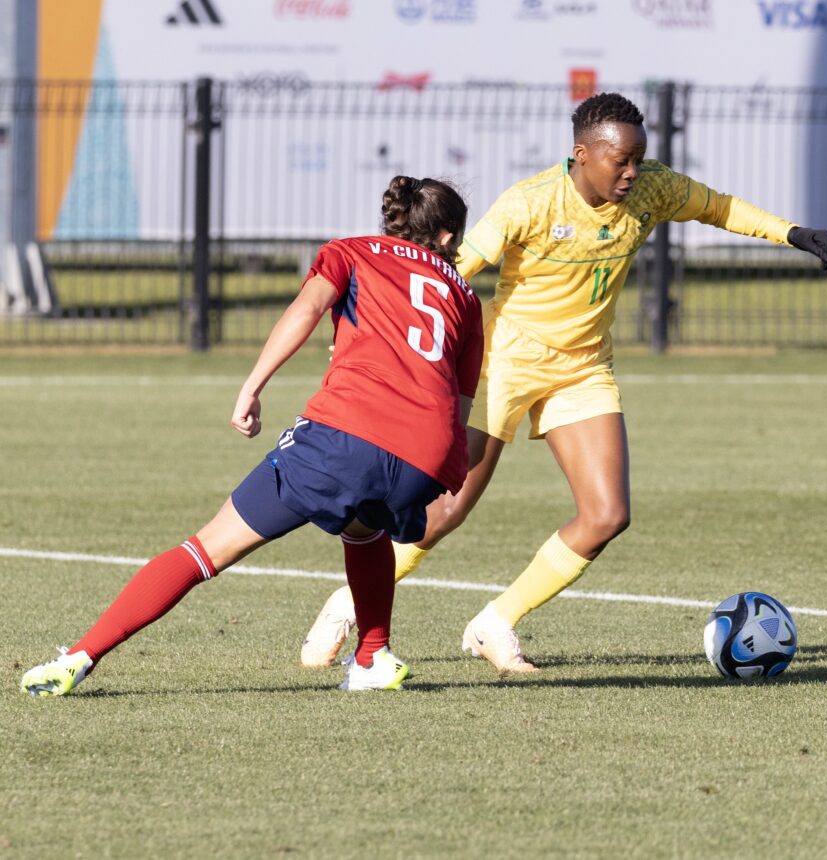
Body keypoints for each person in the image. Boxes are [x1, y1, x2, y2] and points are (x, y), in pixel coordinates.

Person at [300, 91, 827, 675]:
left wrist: (791, 233)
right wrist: (375, 326)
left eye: (639, 158)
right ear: (581, 154)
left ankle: (496, 622)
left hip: (583, 368)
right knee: (444, 513)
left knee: (606, 514)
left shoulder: (654, 188)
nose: (633, 172)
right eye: (620, 161)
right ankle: (343, 607)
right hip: (503, 365)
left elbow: (720, 207)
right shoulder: (528, 203)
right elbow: (445, 271)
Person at [20, 175, 484, 696]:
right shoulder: (466, 297)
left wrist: (252, 386)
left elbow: (305, 310)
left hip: (348, 436)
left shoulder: (350, 251)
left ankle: (79, 658)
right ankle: (373, 656)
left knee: (206, 549)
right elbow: (460, 402)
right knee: (363, 527)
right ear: (445, 238)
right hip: (427, 457)